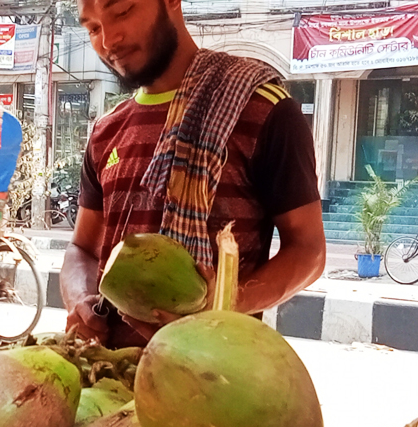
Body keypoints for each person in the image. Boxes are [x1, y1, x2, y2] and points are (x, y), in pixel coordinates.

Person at [62, 0, 326, 348]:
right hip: (111, 379)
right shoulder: (106, 132)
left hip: (214, 377)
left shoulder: (263, 111)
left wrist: (227, 301)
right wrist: (80, 298)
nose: (109, 41)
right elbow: (81, 249)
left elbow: (308, 251)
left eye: (123, 11)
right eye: (93, 28)